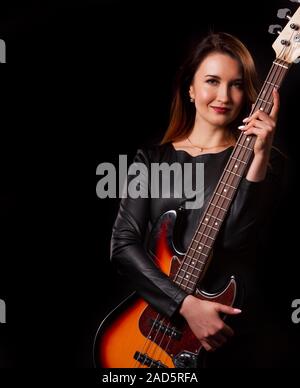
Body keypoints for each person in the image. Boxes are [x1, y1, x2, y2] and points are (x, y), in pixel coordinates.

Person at [110, 32, 287, 367]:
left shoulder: (267, 162)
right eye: (212, 81)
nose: (224, 95)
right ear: (190, 88)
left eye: (236, 84)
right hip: (146, 325)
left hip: (225, 343)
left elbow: (236, 239)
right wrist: (185, 305)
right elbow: (123, 244)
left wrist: (259, 157)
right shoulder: (150, 160)